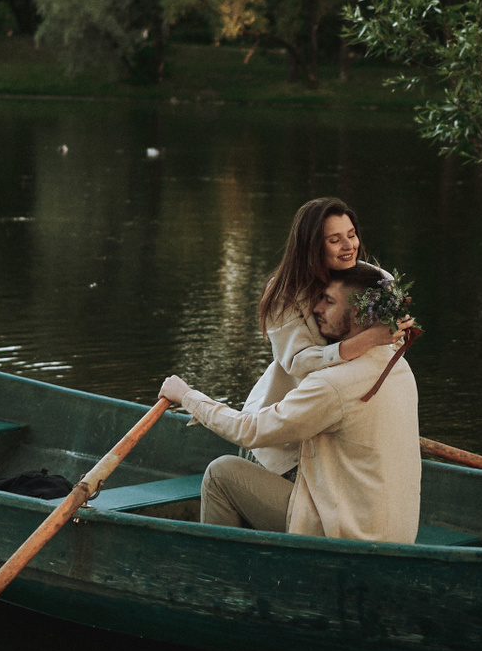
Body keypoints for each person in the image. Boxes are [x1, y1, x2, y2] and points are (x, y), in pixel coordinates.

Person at [159, 263, 420, 543]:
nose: (316, 308)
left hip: (349, 535)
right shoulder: (398, 366)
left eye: (328, 301)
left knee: (221, 474)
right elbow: (379, 279)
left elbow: (250, 431)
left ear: (358, 313)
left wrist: (187, 396)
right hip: (398, 534)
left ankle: (218, 569)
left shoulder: (333, 384)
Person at [243, 197, 405, 478]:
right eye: (334, 240)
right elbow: (299, 363)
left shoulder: (379, 280)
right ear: (312, 246)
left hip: (347, 433)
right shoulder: (284, 292)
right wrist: (364, 341)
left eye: (351, 235)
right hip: (287, 440)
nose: (349, 246)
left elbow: (391, 350)